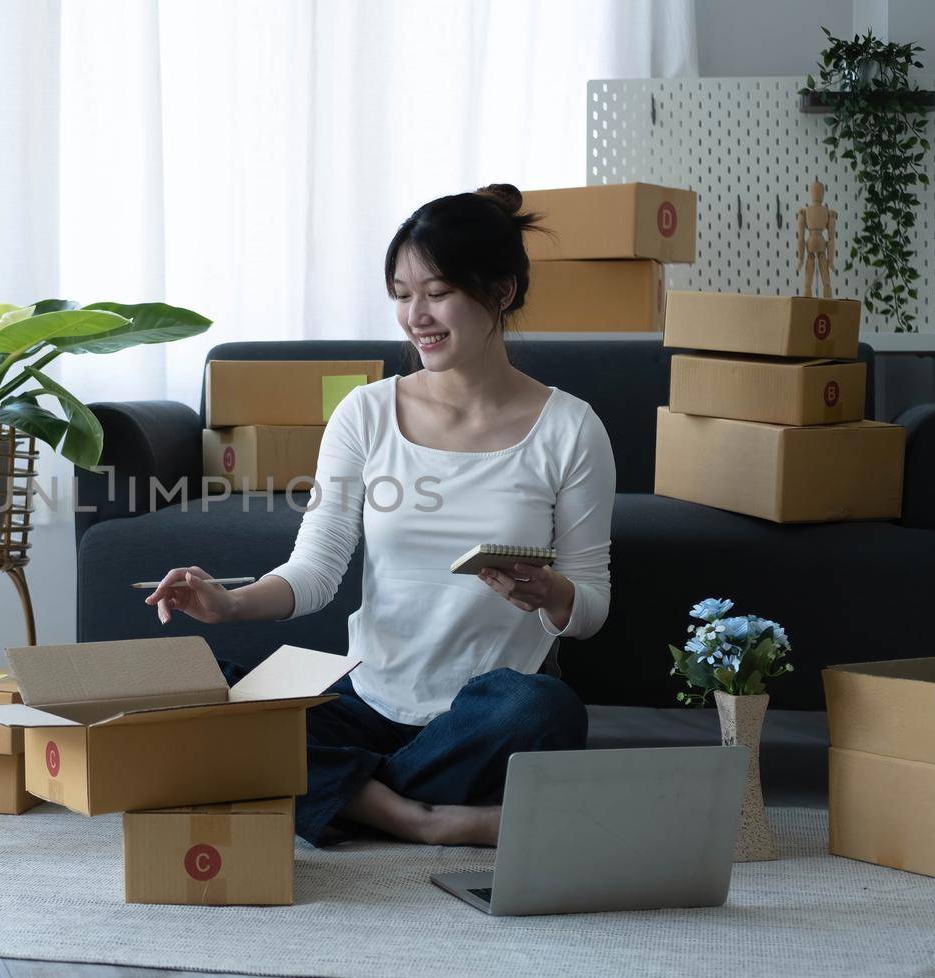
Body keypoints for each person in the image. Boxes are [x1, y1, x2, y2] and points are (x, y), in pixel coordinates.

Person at [143, 184, 616, 848]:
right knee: (212, 698)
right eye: (401, 294)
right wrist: (229, 605)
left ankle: (347, 795)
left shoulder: (570, 428)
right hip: (369, 699)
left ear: (501, 292)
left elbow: (592, 604)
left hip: (488, 710)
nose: (415, 315)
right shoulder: (365, 414)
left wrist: (553, 594)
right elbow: (315, 569)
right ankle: (421, 817)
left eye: (438, 291)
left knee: (544, 711)